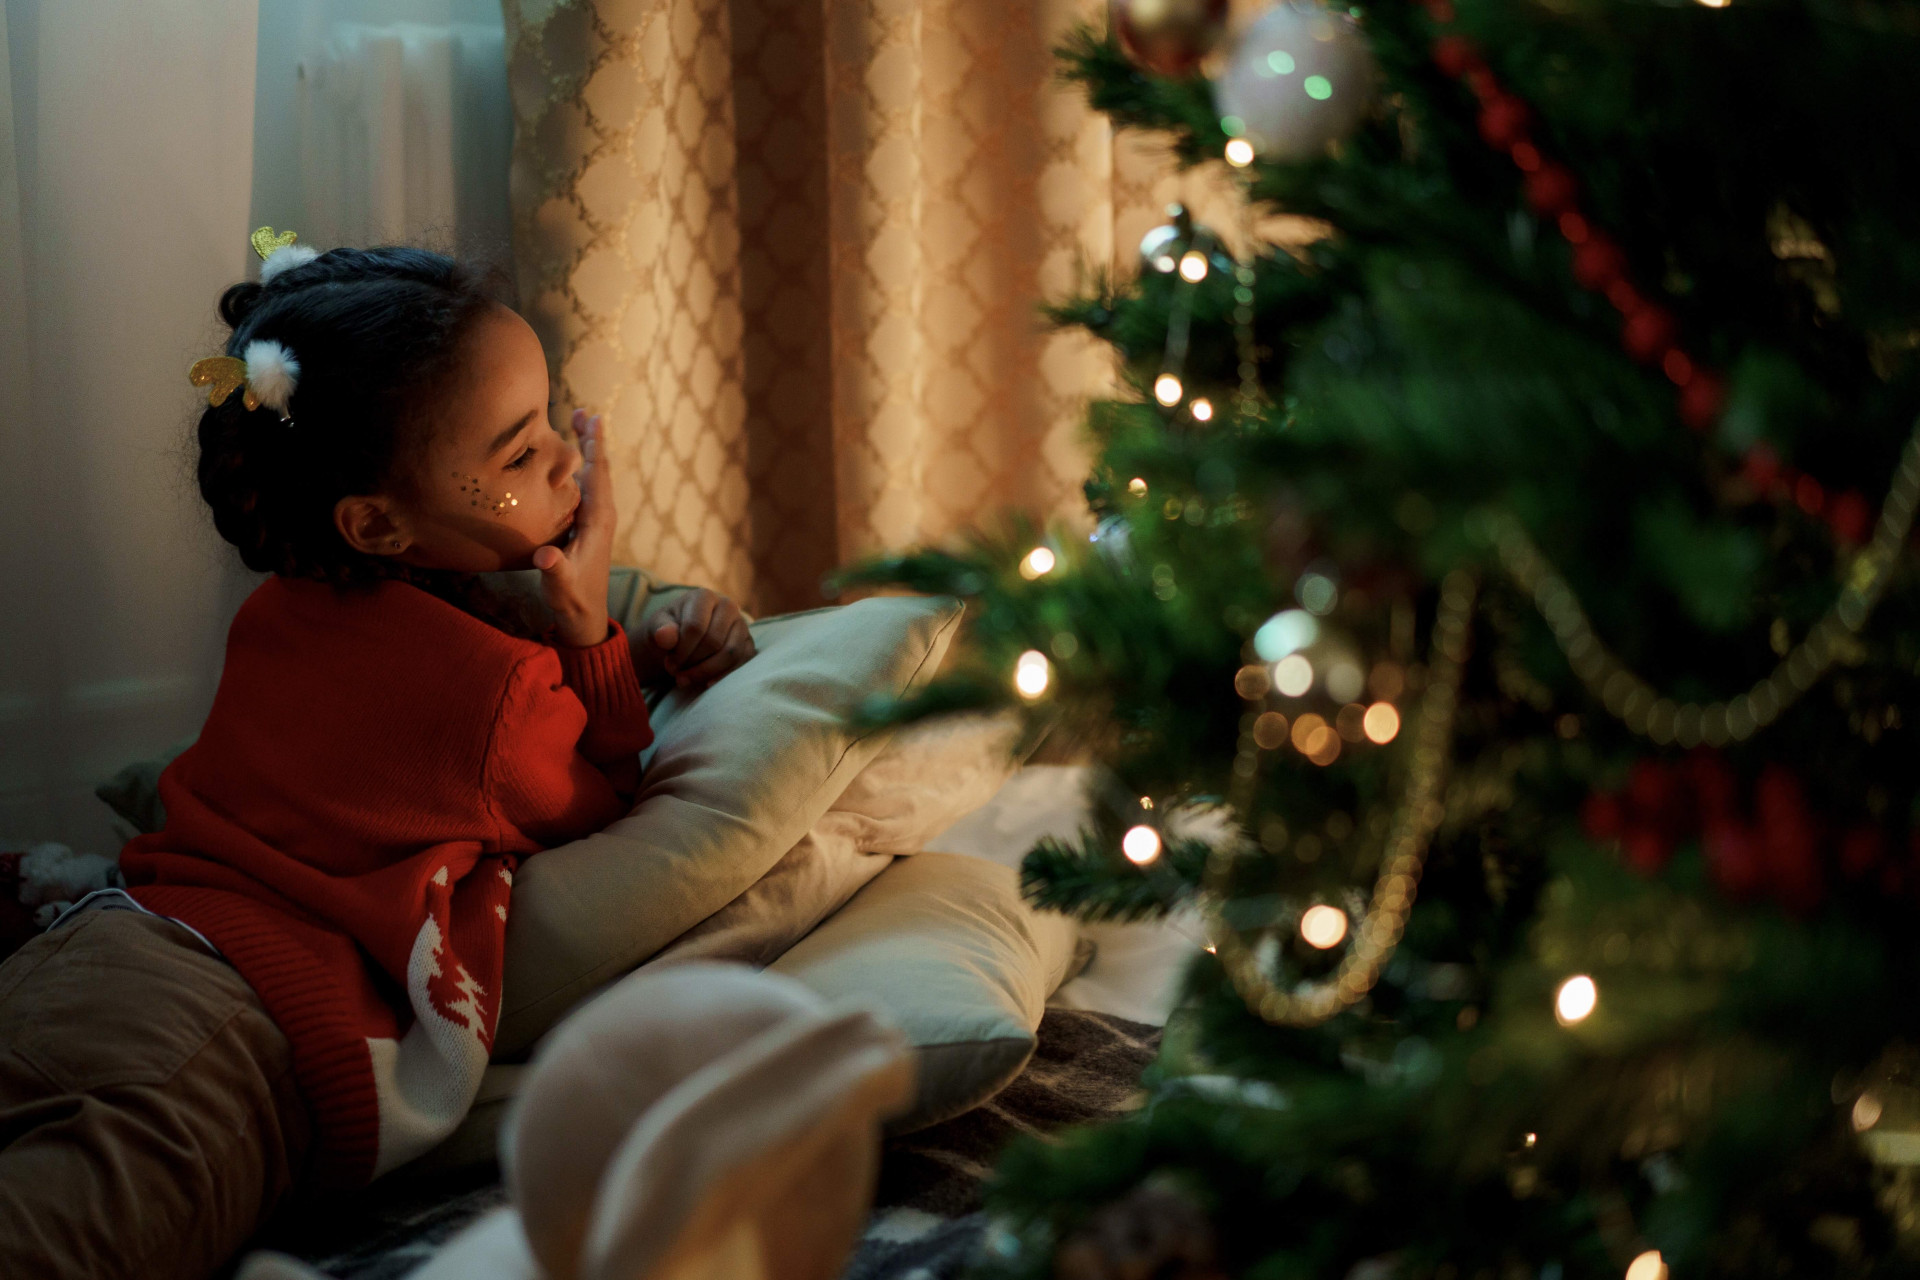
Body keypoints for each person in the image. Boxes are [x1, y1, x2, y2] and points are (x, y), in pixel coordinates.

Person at [0, 237, 757, 1280]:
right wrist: (590, 636)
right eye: (520, 453)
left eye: (553, 420)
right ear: (377, 522)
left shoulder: (287, 605)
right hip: (230, 1031)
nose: (570, 461)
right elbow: (609, 799)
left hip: (97, 946)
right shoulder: (500, 696)